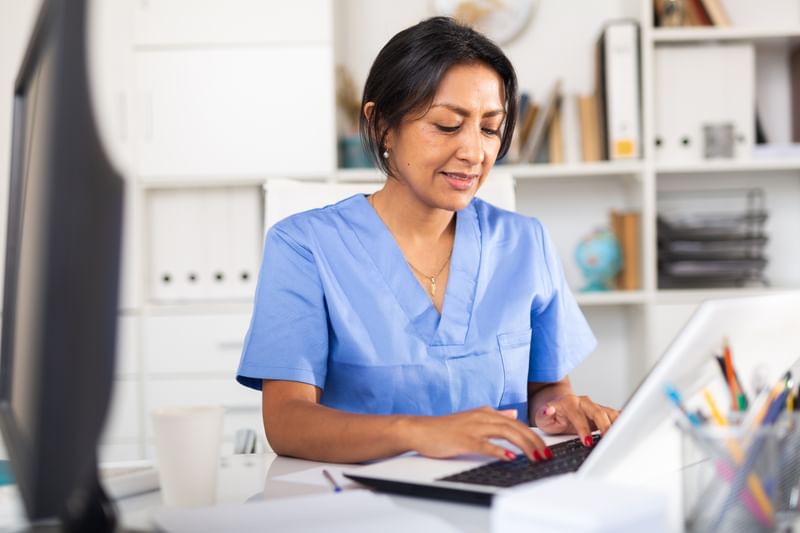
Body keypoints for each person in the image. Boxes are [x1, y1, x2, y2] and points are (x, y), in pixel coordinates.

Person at [236, 16, 618, 464]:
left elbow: (546, 388)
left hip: (495, 491)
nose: (474, 152)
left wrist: (559, 410)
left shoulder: (524, 242)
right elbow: (287, 422)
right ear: (381, 126)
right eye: (446, 125)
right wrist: (418, 432)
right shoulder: (304, 247)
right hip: (357, 503)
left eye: (490, 128)